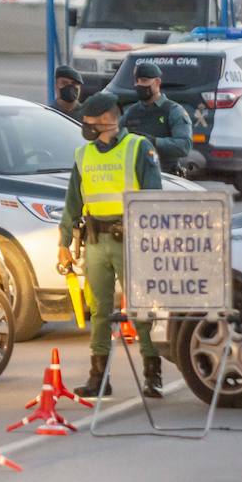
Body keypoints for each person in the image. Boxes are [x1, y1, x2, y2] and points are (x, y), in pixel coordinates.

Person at [57, 91, 165, 399]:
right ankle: (98, 378)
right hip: (95, 241)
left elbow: (152, 197)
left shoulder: (138, 148)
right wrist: (64, 241)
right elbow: (72, 202)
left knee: (140, 308)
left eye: (89, 120)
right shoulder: (84, 154)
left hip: (130, 240)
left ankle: (152, 374)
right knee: (99, 310)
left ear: (107, 119)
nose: (85, 124)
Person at [120, 61, 192, 173]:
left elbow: (184, 146)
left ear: (157, 82)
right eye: (137, 81)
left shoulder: (173, 111)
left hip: (165, 174)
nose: (140, 85)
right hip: (135, 173)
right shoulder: (131, 112)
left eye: (144, 81)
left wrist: (153, 141)